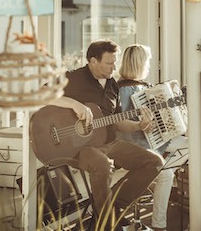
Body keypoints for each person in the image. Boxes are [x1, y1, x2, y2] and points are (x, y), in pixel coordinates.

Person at [116, 44, 201, 226]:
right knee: (183, 157)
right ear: (139, 63)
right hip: (140, 144)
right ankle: (162, 219)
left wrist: (172, 90)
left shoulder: (141, 87)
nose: (149, 65)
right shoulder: (124, 90)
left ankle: (172, 177)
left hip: (155, 141)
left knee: (195, 145)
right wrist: (141, 125)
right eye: (147, 61)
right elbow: (122, 125)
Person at [49, 40, 164, 228]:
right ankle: (107, 223)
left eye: (115, 62)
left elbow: (117, 122)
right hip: (76, 145)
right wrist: (74, 104)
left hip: (108, 143)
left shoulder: (112, 85)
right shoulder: (74, 77)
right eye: (109, 63)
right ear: (93, 61)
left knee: (154, 162)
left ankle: (110, 210)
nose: (114, 67)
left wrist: (139, 126)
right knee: (101, 165)